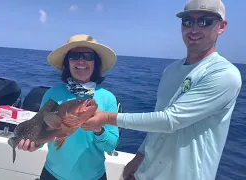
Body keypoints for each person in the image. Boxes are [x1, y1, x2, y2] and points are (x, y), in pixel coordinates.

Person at [81, 0, 242, 180]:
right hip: (147, 174)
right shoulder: (171, 70)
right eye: (188, 21)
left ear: (221, 26)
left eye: (204, 21)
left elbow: (170, 120)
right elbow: (158, 120)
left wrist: (107, 118)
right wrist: (140, 155)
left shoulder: (224, 73)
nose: (194, 29)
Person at [17, 34, 120, 180]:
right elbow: (42, 130)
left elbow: (110, 146)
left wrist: (98, 128)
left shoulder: (107, 98)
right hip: (52, 175)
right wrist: (33, 145)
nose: (81, 60)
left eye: (88, 56)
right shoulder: (52, 94)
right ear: (67, 63)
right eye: (74, 56)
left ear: (95, 63)